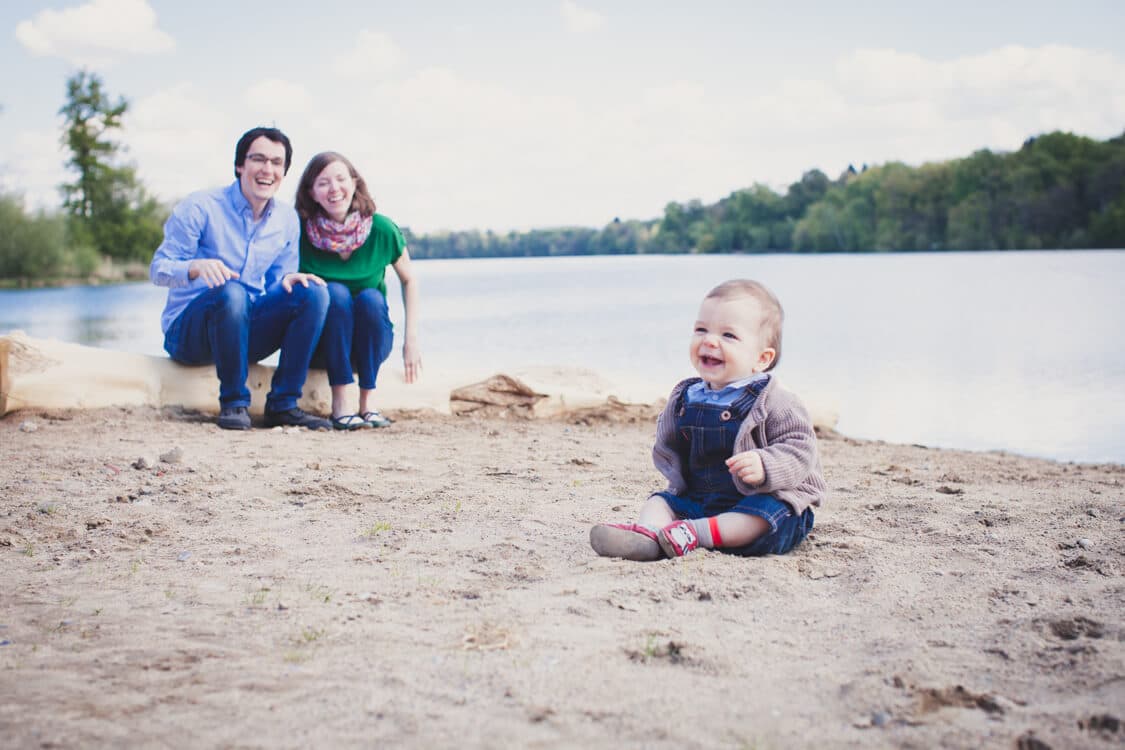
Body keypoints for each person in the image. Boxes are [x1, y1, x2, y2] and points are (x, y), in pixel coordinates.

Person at [590, 279, 825, 561]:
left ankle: (693, 533)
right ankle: (649, 535)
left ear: (762, 359)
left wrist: (765, 464)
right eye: (701, 330)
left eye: (729, 336)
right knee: (660, 501)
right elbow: (671, 443)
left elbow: (801, 449)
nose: (709, 340)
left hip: (757, 500)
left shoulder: (776, 400)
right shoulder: (686, 394)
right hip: (705, 500)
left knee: (769, 514)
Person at [150, 127, 332, 431]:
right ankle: (234, 403)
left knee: (312, 291)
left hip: (243, 332)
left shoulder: (287, 220)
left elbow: (279, 283)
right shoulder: (200, 206)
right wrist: (195, 266)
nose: (267, 169)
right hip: (189, 334)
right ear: (240, 165)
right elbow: (158, 269)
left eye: (276, 162)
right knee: (231, 292)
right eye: (258, 159)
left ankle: (283, 404)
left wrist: (291, 279)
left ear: (284, 172)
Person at [294, 152, 422, 430]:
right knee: (335, 294)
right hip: (323, 346)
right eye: (323, 183)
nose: (334, 189)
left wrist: (411, 340)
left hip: (371, 342)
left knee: (371, 298)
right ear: (312, 193)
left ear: (354, 183)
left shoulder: (382, 229)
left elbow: (410, 280)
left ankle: (368, 402)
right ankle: (340, 402)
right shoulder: (299, 232)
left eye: (341, 179)